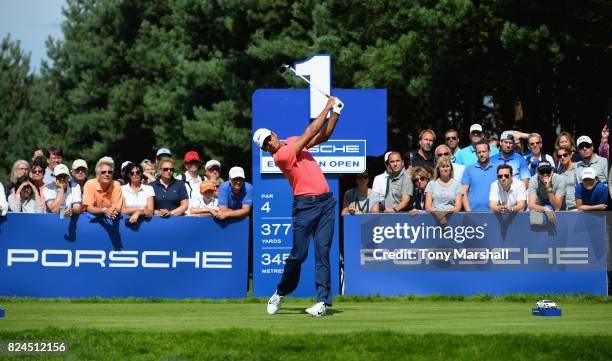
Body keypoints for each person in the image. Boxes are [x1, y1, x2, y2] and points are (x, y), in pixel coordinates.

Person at [252, 95, 343, 317]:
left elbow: (324, 136)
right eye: (265, 145)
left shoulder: (292, 140)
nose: (269, 144)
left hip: (326, 204)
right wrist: (327, 106)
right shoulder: (281, 156)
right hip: (305, 207)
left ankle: (322, 302)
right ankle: (281, 292)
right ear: (264, 149)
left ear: (273, 134)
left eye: (268, 139)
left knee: (323, 251)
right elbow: (311, 131)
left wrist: (336, 112)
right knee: (299, 255)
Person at [461, 141, 498, 212]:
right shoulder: (469, 169)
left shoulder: (497, 169)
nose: (481, 154)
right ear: (476, 154)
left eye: (484, 151)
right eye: (479, 152)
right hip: (473, 212)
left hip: (494, 213)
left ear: (489, 152)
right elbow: (463, 192)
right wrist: (468, 211)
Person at [555, 146, 578, 210]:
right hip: (564, 209)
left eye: (565, 155)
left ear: (570, 155)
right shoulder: (559, 172)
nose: (562, 157)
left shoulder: (578, 167)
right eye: (559, 156)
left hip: (576, 207)